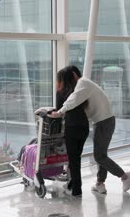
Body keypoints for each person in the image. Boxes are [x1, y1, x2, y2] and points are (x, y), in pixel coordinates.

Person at [52, 65, 130, 194]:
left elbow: (74, 99)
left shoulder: (83, 82)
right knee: (101, 155)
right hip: (101, 121)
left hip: (104, 121)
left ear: (73, 75)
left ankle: (125, 176)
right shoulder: (83, 85)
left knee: (99, 156)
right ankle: (100, 183)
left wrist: (60, 112)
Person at [55, 66, 89, 197]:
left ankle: (76, 188)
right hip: (84, 127)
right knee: (76, 158)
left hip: (72, 127)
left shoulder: (61, 93)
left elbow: (59, 111)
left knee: (73, 160)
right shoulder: (80, 91)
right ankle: (73, 183)